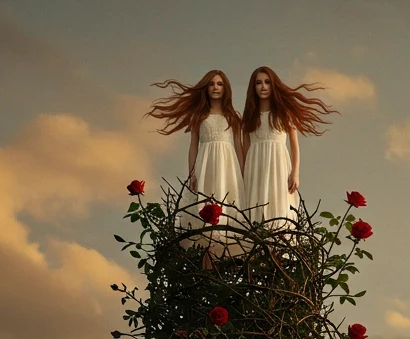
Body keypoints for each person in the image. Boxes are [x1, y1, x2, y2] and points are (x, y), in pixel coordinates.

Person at [145, 70, 245, 250]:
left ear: (226, 89)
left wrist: (243, 173)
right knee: (205, 203)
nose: (215, 87)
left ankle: (224, 248)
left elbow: (238, 147)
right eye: (212, 84)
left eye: (220, 84)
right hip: (205, 165)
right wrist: (192, 173)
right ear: (206, 88)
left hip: (228, 167)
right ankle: (206, 251)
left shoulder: (233, 117)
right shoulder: (199, 116)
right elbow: (193, 147)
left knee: (228, 202)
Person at [240, 66, 338, 235]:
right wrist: (242, 174)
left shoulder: (283, 113)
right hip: (255, 167)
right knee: (255, 208)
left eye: (267, 82)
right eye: (258, 83)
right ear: (253, 87)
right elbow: (245, 147)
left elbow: (294, 145)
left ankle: (279, 248)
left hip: (279, 166)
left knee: (279, 206)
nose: (263, 87)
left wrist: (295, 172)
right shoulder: (250, 115)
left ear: (273, 85)